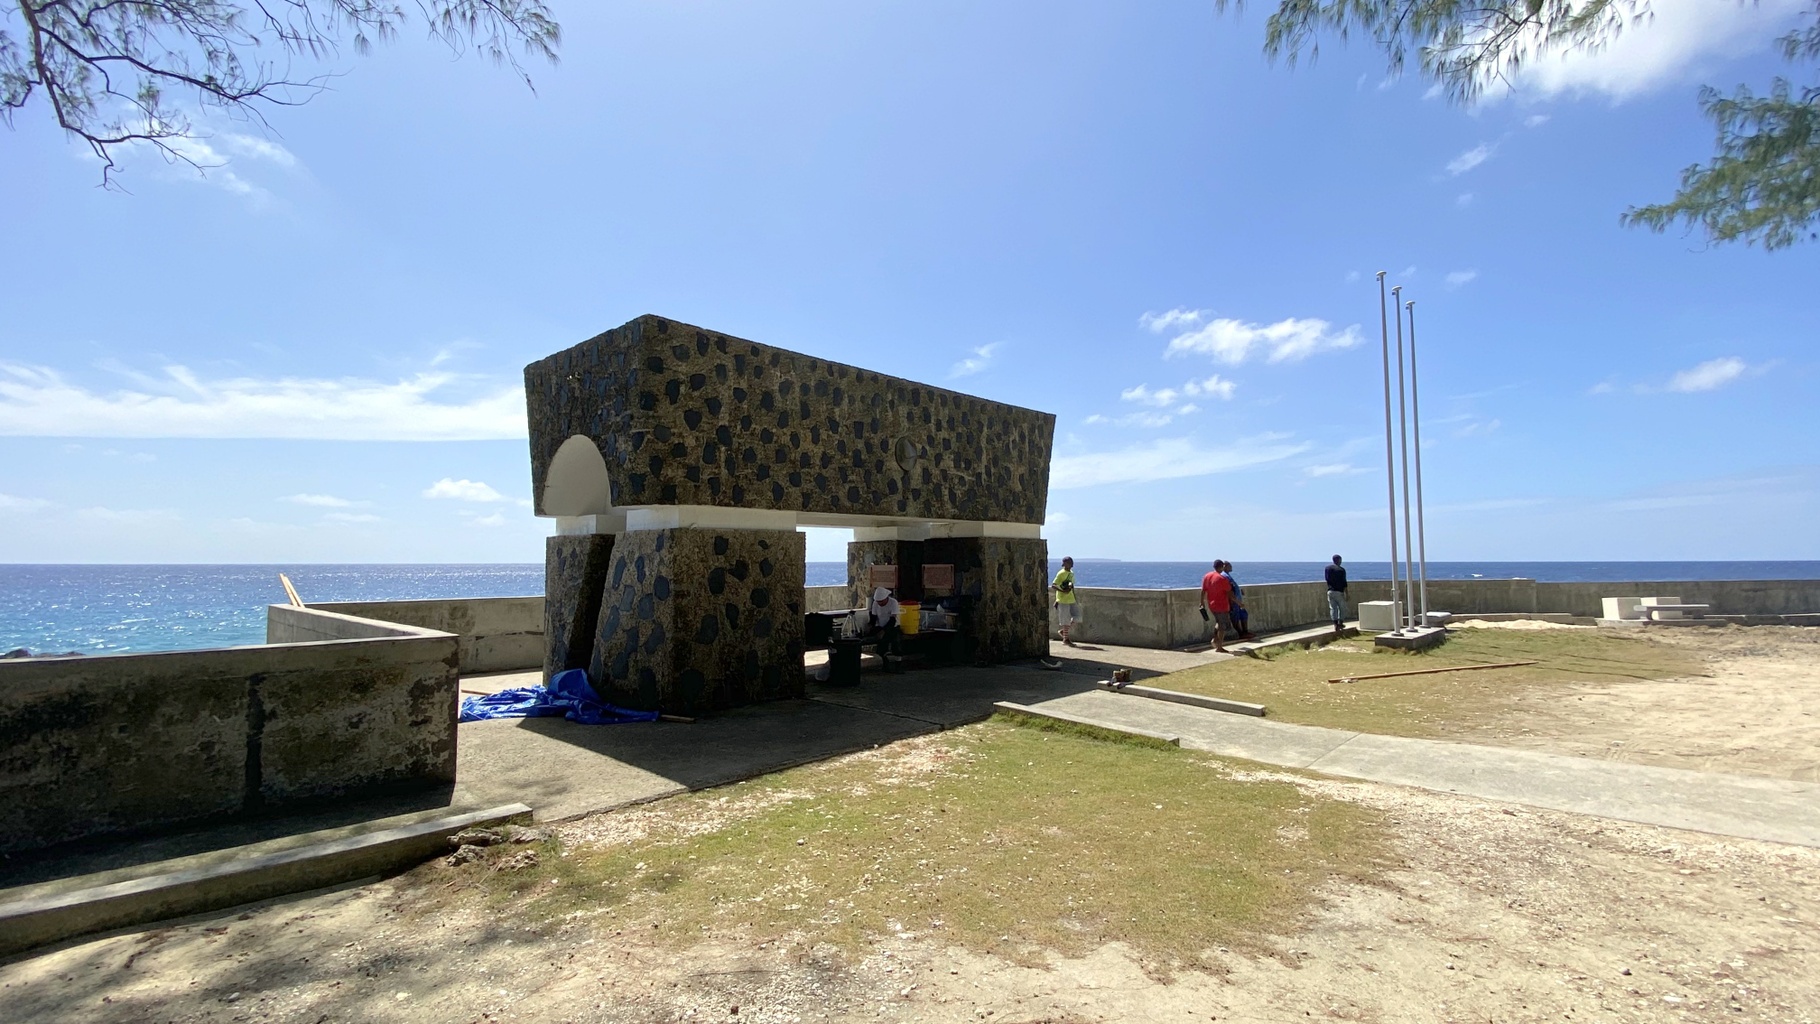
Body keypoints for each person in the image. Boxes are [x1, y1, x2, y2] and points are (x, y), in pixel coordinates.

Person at [861, 586, 903, 666]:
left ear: (886, 598)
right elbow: (874, 617)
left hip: (893, 626)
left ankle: (898, 664)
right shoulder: (875, 603)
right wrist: (870, 626)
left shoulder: (893, 602)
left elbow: (892, 620)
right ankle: (885, 662)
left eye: (881, 601)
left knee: (896, 642)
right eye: (878, 601)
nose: (880, 603)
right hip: (880, 625)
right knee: (879, 643)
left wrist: (884, 631)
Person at [1200, 561, 1234, 653]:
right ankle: (1219, 647)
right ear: (1222, 567)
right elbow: (1229, 593)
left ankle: (1215, 639)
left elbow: (1203, 591)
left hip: (1212, 605)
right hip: (1221, 606)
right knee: (1222, 626)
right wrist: (1239, 603)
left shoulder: (1207, 576)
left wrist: (1202, 602)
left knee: (1219, 622)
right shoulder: (1222, 578)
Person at [1052, 556, 1080, 646]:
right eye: (1069, 562)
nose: (1071, 564)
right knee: (1065, 620)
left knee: (1077, 617)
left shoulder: (1071, 573)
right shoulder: (1061, 573)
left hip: (1071, 599)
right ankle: (1066, 639)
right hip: (1063, 600)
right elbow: (1054, 585)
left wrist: (1074, 595)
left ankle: (1063, 632)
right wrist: (1062, 592)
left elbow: (1072, 585)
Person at [1220, 561, 1251, 639]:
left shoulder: (1228, 575)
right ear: (1225, 566)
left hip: (1237, 600)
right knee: (1235, 618)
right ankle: (1241, 634)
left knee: (1244, 615)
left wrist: (1239, 591)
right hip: (1233, 601)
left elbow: (1233, 587)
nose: (1231, 567)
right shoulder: (1224, 576)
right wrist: (1233, 601)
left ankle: (1245, 632)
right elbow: (1229, 590)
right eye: (1229, 566)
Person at [1324, 554, 1349, 634]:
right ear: (1339, 560)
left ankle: (1335, 624)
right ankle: (1340, 623)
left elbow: (1327, 579)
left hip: (1330, 591)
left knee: (1333, 608)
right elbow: (1344, 583)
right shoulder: (1341, 570)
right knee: (1342, 608)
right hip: (1339, 591)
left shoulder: (1327, 569)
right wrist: (1347, 594)